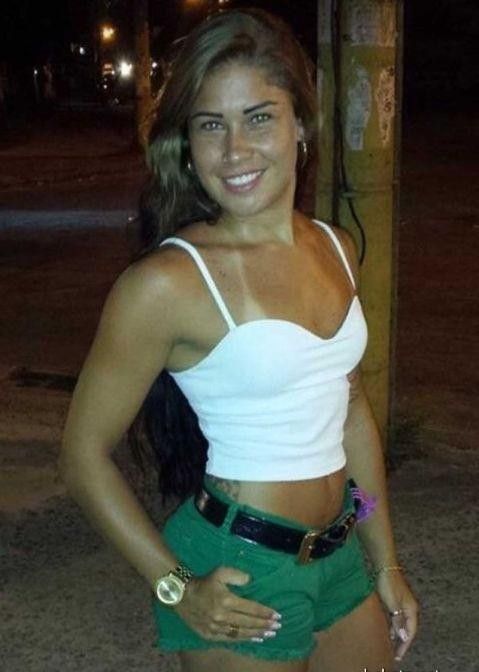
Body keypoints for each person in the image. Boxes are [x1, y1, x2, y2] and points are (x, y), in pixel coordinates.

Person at [60, 8, 419, 672]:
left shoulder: (335, 247)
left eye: (258, 117)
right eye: (210, 125)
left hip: (339, 555)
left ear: (300, 124)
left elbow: (350, 414)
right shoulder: (166, 283)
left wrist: (384, 561)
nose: (234, 151)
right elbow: (82, 455)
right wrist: (175, 587)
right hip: (242, 571)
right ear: (187, 146)